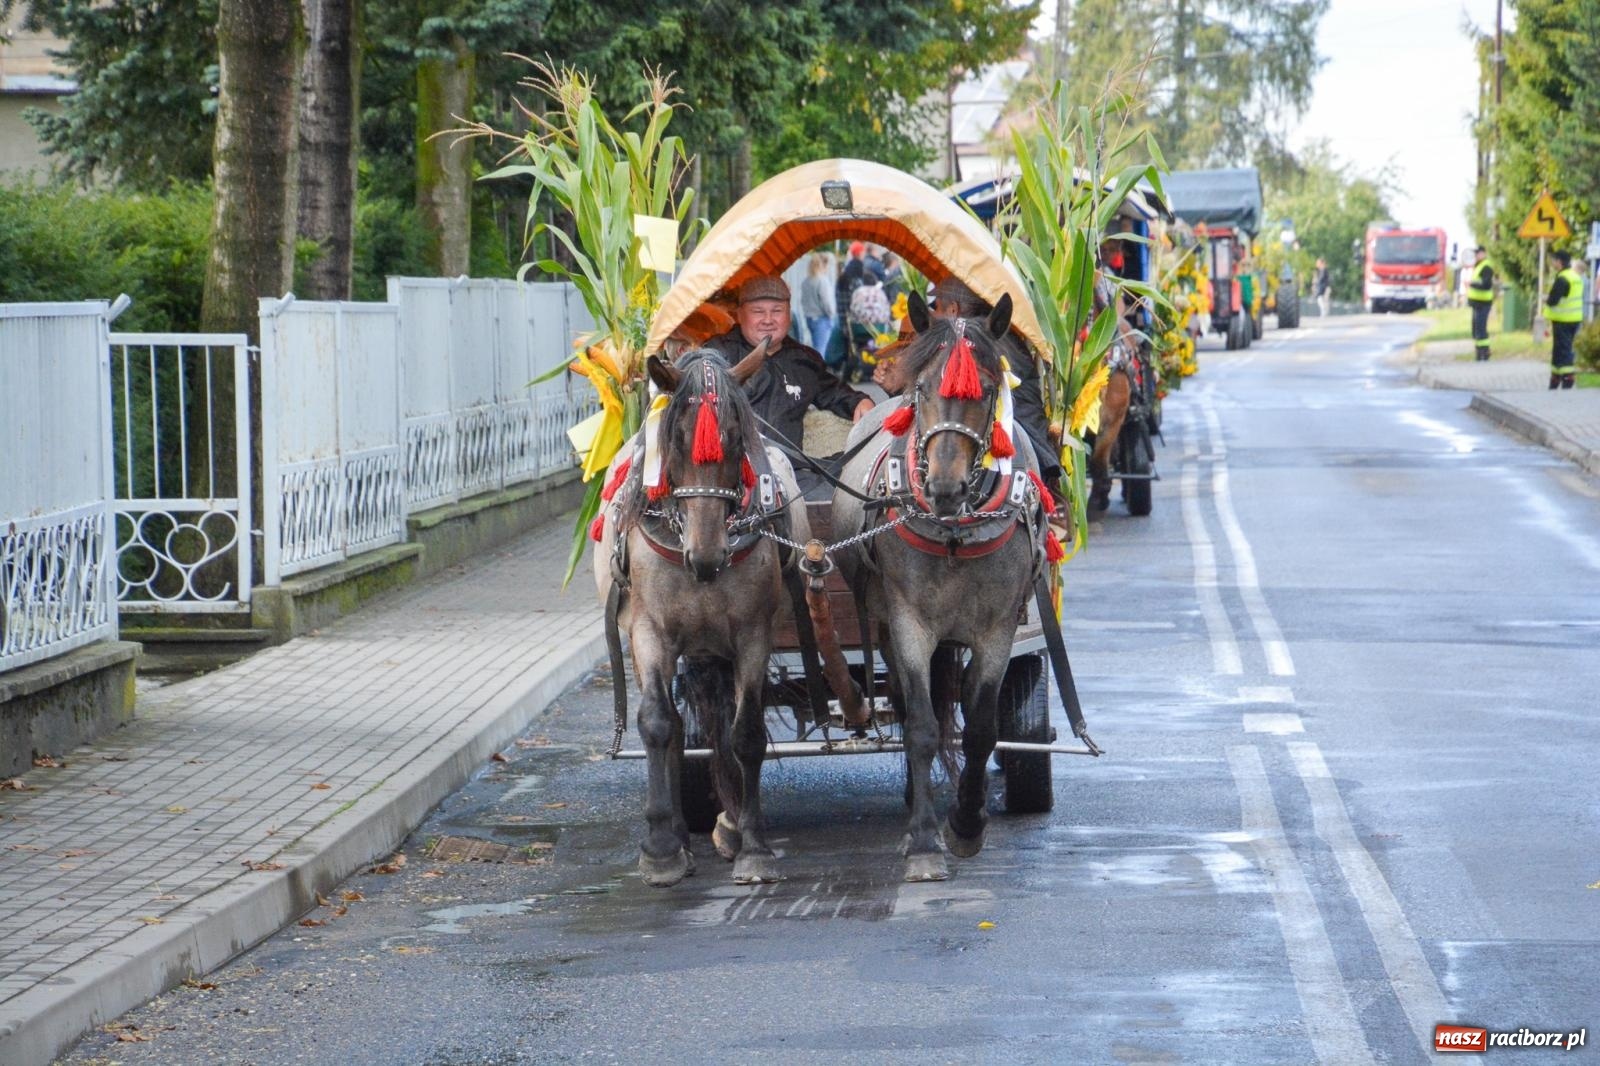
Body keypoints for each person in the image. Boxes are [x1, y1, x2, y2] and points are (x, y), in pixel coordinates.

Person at [874, 276, 1064, 495]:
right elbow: (940, 401)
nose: (933, 314)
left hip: (1017, 435)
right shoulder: (958, 343)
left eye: (936, 307)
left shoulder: (983, 345)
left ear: (953, 310)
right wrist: (899, 389)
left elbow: (957, 404)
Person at [704, 275, 873, 456]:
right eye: (758, 311)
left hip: (790, 472)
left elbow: (835, 392)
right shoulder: (716, 353)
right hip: (730, 470)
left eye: (777, 311)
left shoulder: (804, 360)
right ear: (740, 315)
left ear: (789, 314)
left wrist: (860, 401)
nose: (768, 320)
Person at [1545, 250, 1583, 390]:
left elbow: (1553, 300)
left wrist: (1546, 299)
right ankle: (1555, 377)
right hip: (1574, 318)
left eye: (1554, 260)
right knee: (1560, 349)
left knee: (1563, 349)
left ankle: (1567, 377)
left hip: (1563, 320)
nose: (1553, 263)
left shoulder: (1562, 278)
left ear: (1559, 262)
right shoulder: (1575, 277)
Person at [799, 253, 837, 367]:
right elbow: (826, 301)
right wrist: (831, 314)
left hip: (809, 318)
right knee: (820, 351)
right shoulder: (822, 281)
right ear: (822, 265)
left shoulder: (806, 281)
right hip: (822, 318)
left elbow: (803, 301)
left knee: (816, 349)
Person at [1467, 246, 1496, 361]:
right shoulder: (1478, 266)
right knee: (1476, 329)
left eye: (1478, 253)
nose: (1476, 256)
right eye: (1475, 254)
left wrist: (1472, 284)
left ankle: (1484, 352)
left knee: (1481, 328)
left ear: (1484, 253)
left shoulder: (1486, 267)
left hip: (1483, 303)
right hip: (1476, 303)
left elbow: (1486, 285)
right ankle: (1479, 352)